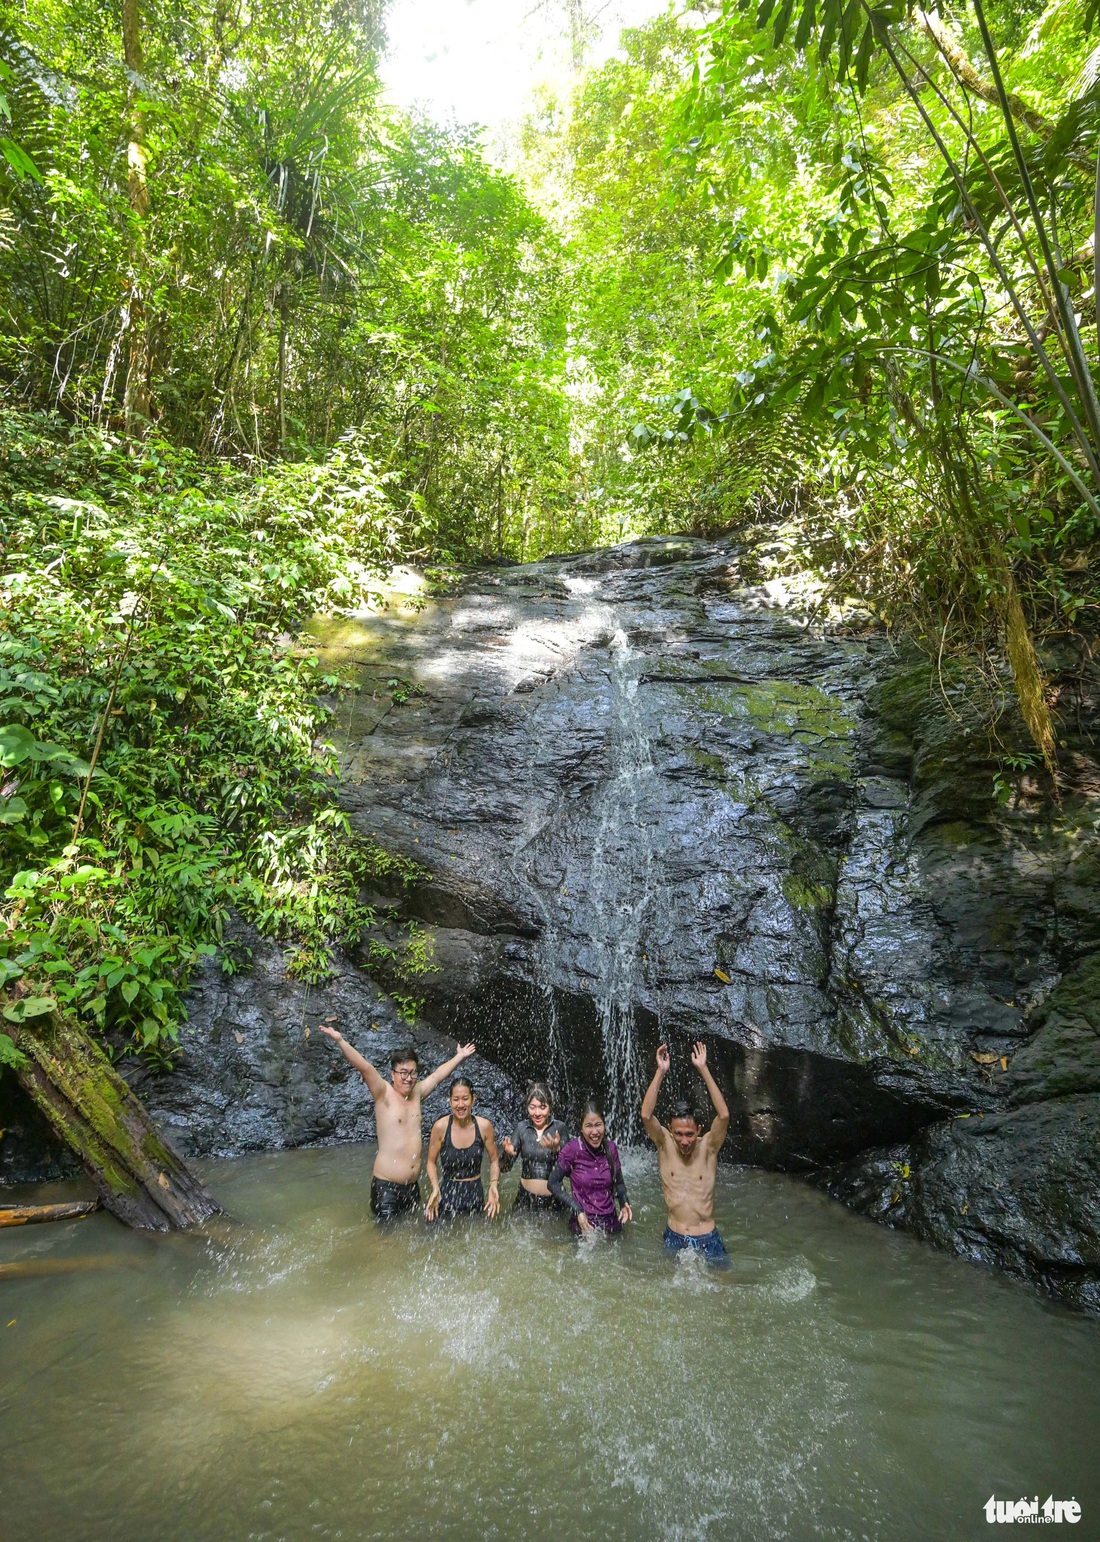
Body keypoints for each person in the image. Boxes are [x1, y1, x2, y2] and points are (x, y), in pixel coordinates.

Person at [319, 1027, 475, 1220]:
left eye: (412, 1073)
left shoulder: (417, 1093)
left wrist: (459, 1056)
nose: (408, 1078)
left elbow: (437, 1075)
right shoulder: (383, 1093)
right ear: (392, 1074)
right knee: (385, 1242)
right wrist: (340, 1040)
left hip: (412, 1188)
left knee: (410, 1238)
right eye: (403, 1073)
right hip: (387, 1187)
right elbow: (365, 1067)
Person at [640, 1039, 731, 1267]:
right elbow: (646, 1116)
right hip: (674, 1236)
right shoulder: (664, 1144)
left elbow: (724, 1116)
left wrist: (703, 1068)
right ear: (670, 1130)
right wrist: (661, 1071)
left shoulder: (709, 1147)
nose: (684, 1140)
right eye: (679, 1134)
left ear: (699, 1130)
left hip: (707, 1237)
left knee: (722, 1287)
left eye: (689, 1134)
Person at [548, 1101, 632, 1235]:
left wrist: (624, 1202)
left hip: (611, 1224)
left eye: (598, 1125)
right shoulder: (572, 1150)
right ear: (581, 1128)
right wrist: (577, 1209)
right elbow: (552, 1183)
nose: (594, 1132)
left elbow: (619, 1183)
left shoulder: (611, 1149)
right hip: (583, 1226)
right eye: (589, 1126)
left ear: (604, 1124)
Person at [424, 1077, 501, 1222]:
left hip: (475, 1193)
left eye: (465, 1099)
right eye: (456, 1099)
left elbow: (494, 1160)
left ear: (473, 1099)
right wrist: (435, 1188)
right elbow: (430, 1162)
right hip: (448, 1192)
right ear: (450, 1101)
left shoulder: (484, 1126)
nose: (460, 1104)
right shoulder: (440, 1127)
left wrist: (494, 1184)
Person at [500, 1081, 569, 1215]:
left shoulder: (560, 1128)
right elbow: (504, 1168)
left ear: (550, 1107)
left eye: (542, 1107)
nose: (537, 1113)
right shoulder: (521, 1128)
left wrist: (558, 1151)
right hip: (525, 1199)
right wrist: (506, 1154)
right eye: (532, 1107)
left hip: (555, 1200)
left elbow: (570, 1172)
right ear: (527, 1107)